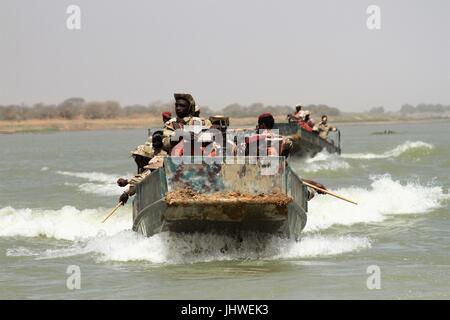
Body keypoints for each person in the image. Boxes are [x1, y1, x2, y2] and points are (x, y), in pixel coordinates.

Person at [117, 131, 167, 204]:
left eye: (138, 157)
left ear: (143, 159)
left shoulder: (155, 162)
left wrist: (126, 181)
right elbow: (138, 181)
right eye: (135, 157)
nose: (136, 160)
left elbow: (144, 177)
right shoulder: (144, 168)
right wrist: (126, 193)